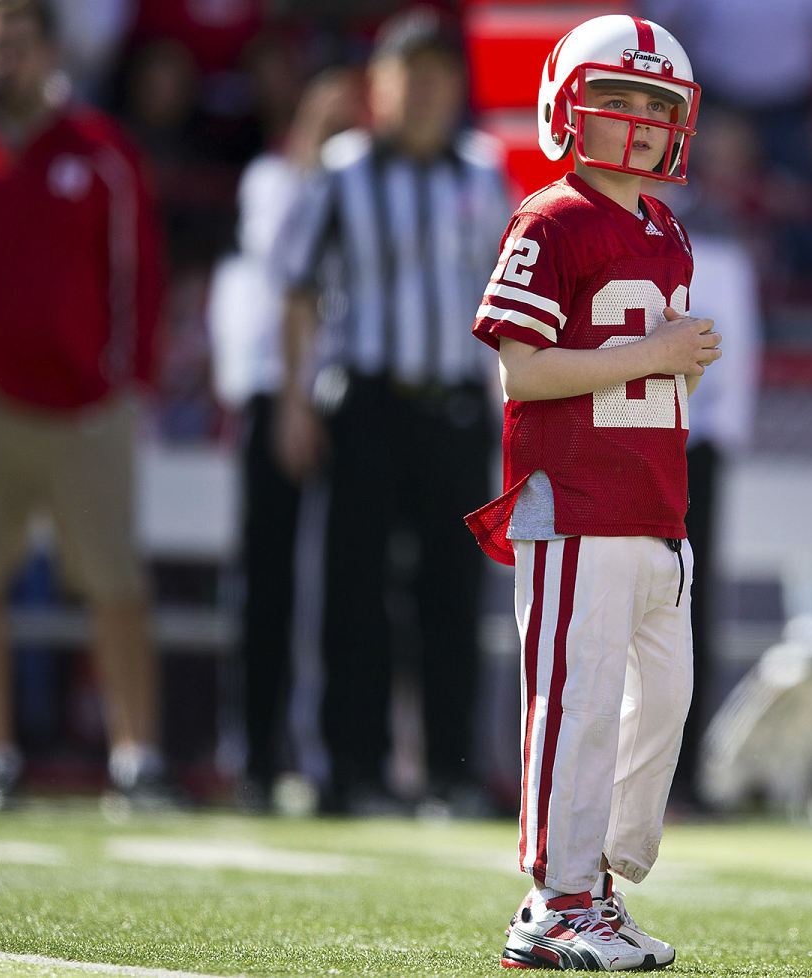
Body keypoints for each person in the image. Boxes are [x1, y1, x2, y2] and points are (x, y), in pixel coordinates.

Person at [463, 14, 718, 972]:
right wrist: (652, 356)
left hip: (655, 504)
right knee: (576, 700)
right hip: (573, 504)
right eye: (619, 98)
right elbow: (521, 372)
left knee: (663, 704)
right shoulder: (550, 216)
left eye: (661, 104)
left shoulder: (667, 230)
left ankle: (595, 884)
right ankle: (554, 897)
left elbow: (648, 373)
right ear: (568, 105)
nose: (643, 121)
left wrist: (669, 370)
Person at [0, 0, 167, 817]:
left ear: (51, 51)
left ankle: (137, 760)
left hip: (84, 404)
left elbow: (138, 278)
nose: (4, 61)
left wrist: (123, 382)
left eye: (19, 44)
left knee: (114, 582)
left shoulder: (100, 152)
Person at [274, 9, 510, 815]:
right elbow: (298, 289)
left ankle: (450, 771)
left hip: (453, 408)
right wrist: (295, 401)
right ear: (376, 86)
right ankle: (352, 771)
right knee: (353, 592)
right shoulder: (340, 172)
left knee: (452, 597)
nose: (424, 92)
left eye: (440, 75)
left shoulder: (483, 175)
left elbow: (505, 303)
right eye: (408, 75)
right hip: (367, 404)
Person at [207, 68, 360, 810]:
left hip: (352, 392)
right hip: (280, 390)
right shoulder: (275, 179)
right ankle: (257, 754)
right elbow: (285, 261)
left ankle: (332, 755)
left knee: (345, 589)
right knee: (267, 580)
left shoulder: (374, 179)